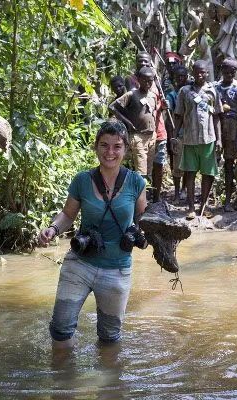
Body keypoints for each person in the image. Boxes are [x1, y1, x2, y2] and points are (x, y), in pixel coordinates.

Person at [37, 120, 147, 349]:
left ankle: (106, 383)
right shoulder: (82, 180)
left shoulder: (136, 182)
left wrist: (146, 236)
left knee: (109, 338)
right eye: (104, 145)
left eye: (117, 146)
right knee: (60, 329)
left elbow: (143, 220)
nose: (110, 152)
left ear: (125, 150)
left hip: (117, 269)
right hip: (80, 263)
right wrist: (53, 229)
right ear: (96, 147)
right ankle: (63, 381)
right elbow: (68, 214)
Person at [173, 60, 223, 220]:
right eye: (197, 72)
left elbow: (216, 117)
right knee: (190, 172)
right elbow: (179, 116)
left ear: (208, 73)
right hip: (189, 139)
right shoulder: (184, 91)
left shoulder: (213, 91)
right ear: (192, 73)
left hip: (209, 138)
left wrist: (219, 139)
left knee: (208, 173)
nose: (200, 75)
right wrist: (174, 136)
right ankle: (190, 207)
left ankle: (204, 206)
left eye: (203, 72)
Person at [126, 51, 169, 202]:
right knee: (139, 170)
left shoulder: (155, 81)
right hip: (140, 132)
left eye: (147, 62)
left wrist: (162, 105)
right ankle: (138, 201)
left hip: (158, 130)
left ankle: (156, 200)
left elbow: (155, 105)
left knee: (157, 166)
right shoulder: (131, 81)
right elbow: (133, 105)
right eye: (140, 62)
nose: (143, 64)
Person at [109, 67, 162, 183]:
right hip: (138, 136)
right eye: (145, 80)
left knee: (147, 170)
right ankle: (140, 199)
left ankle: (142, 195)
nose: (148, 83)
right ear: (138, 80)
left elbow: (152, 113)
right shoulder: (132, 94)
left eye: (150, 81)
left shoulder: (153, 95)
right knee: (141, 171)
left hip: (151, 136)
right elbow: (112, 107)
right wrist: (128, 122)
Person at [215, 58, 237, 212]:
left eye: (232, 71)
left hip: (232, 127)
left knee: (229, 163)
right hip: (216, 126)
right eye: (225, 71)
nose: (228, 74)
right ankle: (207, 199)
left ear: (235, 72)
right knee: (212, 162)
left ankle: (227, 201)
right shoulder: (215, 87)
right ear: (221, 70)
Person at [166, 65, 189, 204]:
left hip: (190, 134)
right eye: (178, 77)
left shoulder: (189, 92)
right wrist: (171, 137)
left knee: (188, 165)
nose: (180, 79)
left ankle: (185, 190)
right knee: (177, 166)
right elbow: (169, 118)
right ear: (174, 79)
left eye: (183, 76)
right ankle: (176, 193)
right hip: (178, 134)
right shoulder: (171, 95)